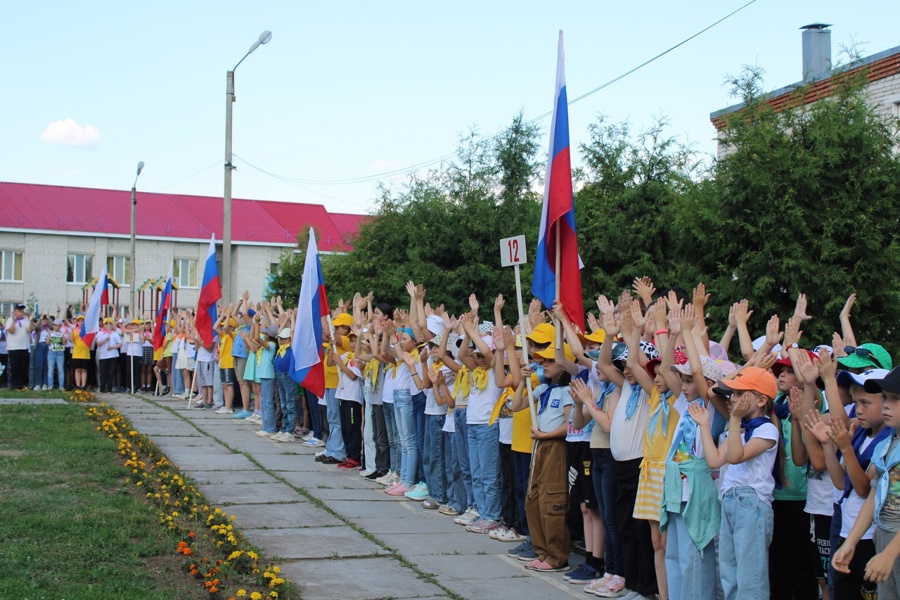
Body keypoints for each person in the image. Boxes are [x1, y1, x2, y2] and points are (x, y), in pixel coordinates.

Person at [696, 366, 780, 600]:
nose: (732, 399)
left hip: (751, 504)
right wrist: (704, 425)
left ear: (762, 400)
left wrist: (733, 420)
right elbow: (714, 459)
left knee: (750, 577)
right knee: (729, 574)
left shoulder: (767, 429)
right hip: (730, 501)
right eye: (732, 394)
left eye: (740, 394)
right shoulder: (740, 428)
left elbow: (735, 456)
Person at [832, 367, 900, 598]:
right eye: (885, 398)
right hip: (883, 538)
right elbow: (873, 496)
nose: (887, 405)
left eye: (895, 399)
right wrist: (851, 542)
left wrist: (890, 554)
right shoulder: (885, 446)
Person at [511, 340, 574, 572]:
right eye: (543, 361)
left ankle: (557, 556)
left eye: (550, 361)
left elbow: (570, 427)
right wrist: (522, 383)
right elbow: (516, 406)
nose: (544, 365)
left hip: (555, 446)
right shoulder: (543, 388)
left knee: (552, 500)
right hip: (540, 444)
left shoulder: (568, 390)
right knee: (533, 498)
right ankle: (542, 550)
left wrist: (545, 435)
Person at [5, 303, 33, 389]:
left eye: (22, 311)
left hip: (24, 347)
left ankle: (23, 384)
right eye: (19, 311)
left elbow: (29, 330)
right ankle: (14, 384)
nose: (21, 313)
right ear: (15, 312)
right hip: (13, 347)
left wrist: (31, 320)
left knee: (24, 367)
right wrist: (14, 321)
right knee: (15, 367)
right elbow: (11, 330)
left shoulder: (26, 320)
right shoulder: (10, 320)